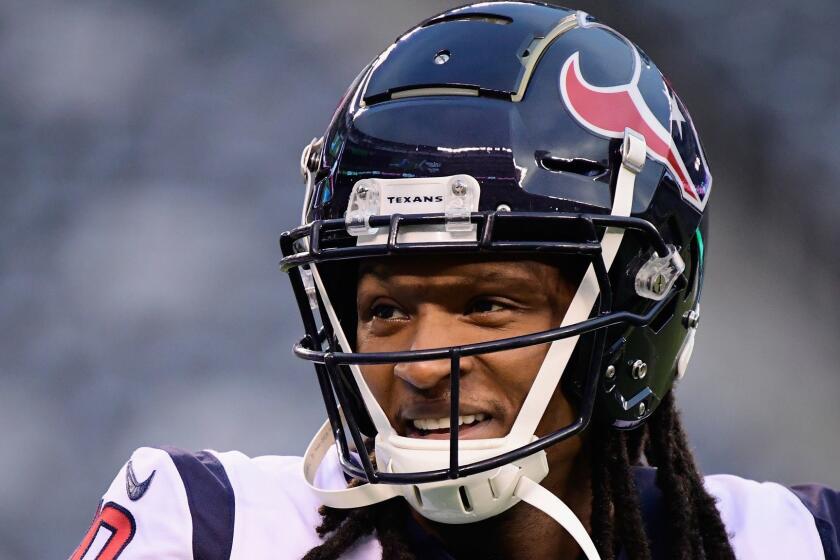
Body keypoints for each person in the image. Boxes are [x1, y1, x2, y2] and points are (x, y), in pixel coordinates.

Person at [70, 3, 839, 559]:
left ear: (638, 310)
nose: (422, 363)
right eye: (384, 311)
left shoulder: (797, 543)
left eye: (487, 305)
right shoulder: (212, 529)